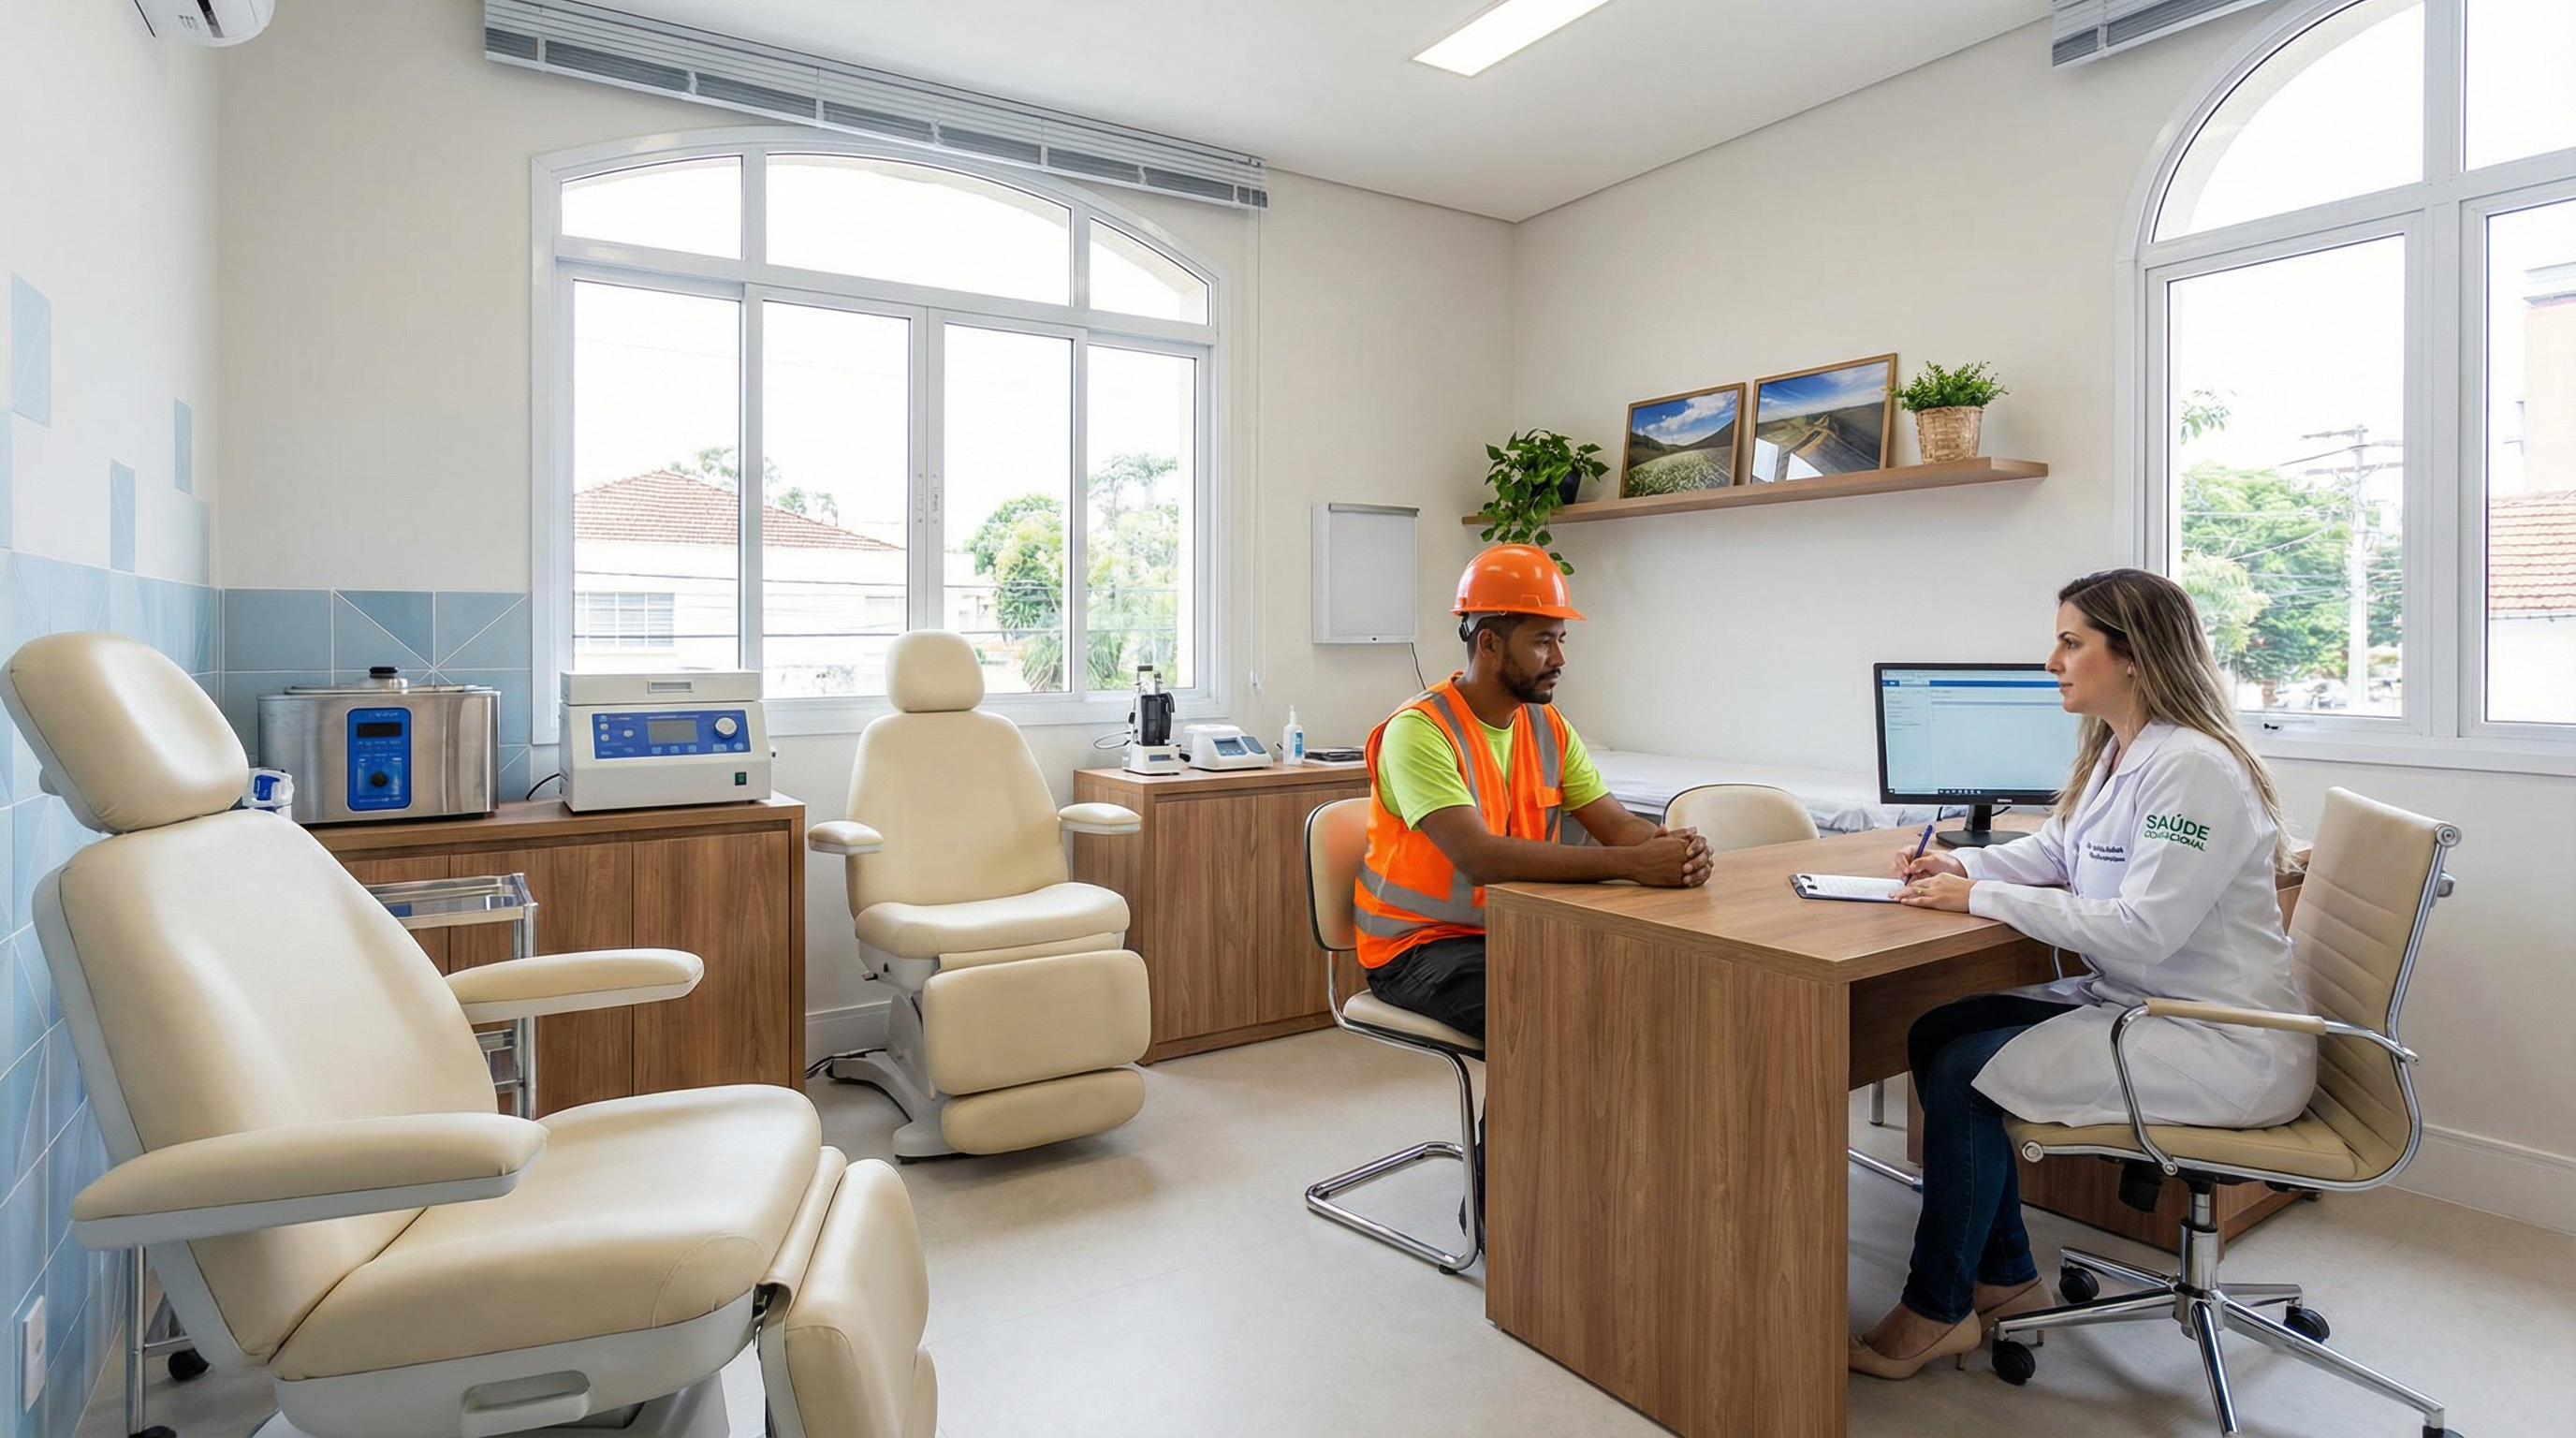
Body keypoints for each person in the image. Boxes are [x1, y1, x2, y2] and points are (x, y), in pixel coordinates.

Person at [1849, 567, 2315, 1380]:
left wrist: (1978, 898)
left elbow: (2145, 927)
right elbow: (2059, 852)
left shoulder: (2193, 768)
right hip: (2146, 1002)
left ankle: (1936, 1307)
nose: (2050, 661)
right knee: (1937, 1031)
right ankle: (2005, 1276)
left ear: (2132, 655)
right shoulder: (2118, 751)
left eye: (2071, 642)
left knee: (1963, 1074)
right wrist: (1959, 867)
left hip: (2220, 1037)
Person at [1355, 544, 1713, 1042]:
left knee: (1642, 984)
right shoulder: (1419, 730)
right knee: (1551, 1015)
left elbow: (1615, 824)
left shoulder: (1547, 726)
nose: (1560, 658)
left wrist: (1671, 850)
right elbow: (1479, 857)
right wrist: (1633, 864)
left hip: (1517, 925)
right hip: (1419, 946)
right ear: (1489, 644)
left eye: (1561, 639)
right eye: (1544, 641)